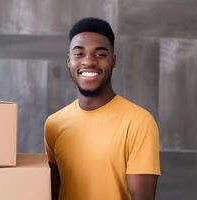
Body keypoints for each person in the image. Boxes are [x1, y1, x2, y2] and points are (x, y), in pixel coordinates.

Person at [44, 17, 160, 200]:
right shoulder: (53, 124)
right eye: (79, 53)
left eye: (100, 54)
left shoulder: (139, 122)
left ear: (113, 61)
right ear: (68, 61)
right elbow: (52, 193)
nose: (89, 61)